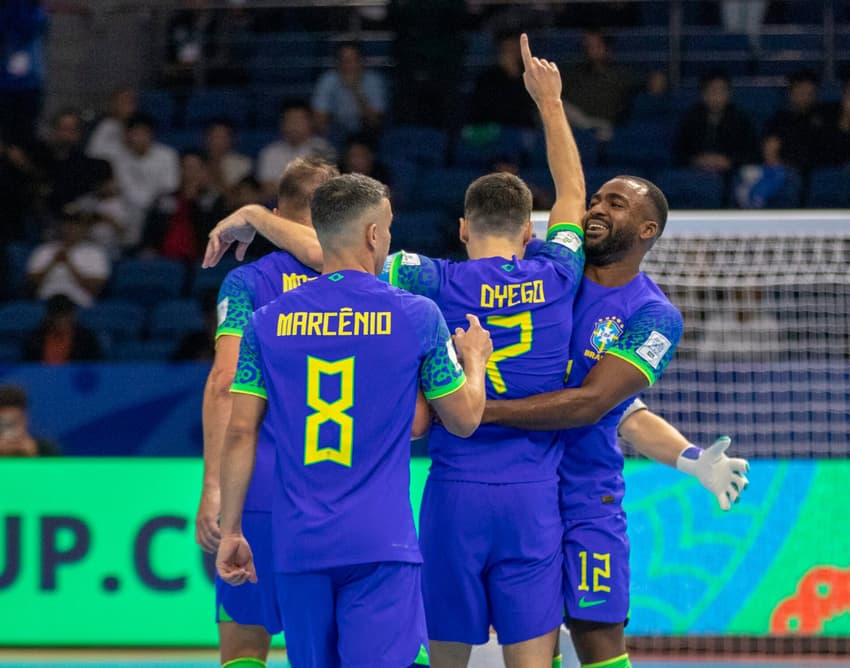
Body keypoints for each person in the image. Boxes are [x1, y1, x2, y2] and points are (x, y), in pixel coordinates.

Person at [215, 173, 493, 668]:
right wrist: (475, 359)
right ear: (372, 234)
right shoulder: (417, 314)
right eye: (387, 229)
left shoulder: (267, 322)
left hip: (298, 545)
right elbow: (466, 419)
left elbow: (240, 431)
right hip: (380, 543)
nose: (387, 239)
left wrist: (232, 528)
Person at [482, 172, 747, 668]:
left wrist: (690, 460)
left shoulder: (652, 314)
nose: (596, 209)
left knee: (597, 639)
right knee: (528, 640)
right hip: (515, 487)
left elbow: (601, 404)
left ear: (647, 230)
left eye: (616, 204)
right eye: (596, 199)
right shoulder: (547, 270)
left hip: (586, 499)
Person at [379, 34, 586, 668]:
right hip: (532, 497)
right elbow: (573, 193)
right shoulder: (557, 273)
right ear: (531, 232)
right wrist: (550, 103)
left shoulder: (428, 280)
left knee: (445, 661)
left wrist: (257, 215)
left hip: (454, 493)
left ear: (463, 228)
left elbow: (338, 250)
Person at [195, 158, 337, 668]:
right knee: (323, 646)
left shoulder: (247, 283)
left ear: (279, 214)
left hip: (258, 485)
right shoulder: (364, 279)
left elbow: (223, 384)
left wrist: (213, 486)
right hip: (335, 485)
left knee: (244, 650)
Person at [103, 113, 180, 249]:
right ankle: (123, 252)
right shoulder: (119, 158)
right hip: (129, 206)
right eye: (135, 134)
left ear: (151, 135)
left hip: (157, 206)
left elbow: (170, 186)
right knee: (109, 209)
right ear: (127, 136)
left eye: (143, 134)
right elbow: (125, 189)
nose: (139, 139)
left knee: (167, 205)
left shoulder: (167, 155)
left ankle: (152, 248)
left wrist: (148, 204)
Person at [673, 70, 759, 175]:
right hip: (695, 173)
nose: (716, 96)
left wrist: (729, 161)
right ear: (703, 94)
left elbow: (752, 154)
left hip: (730, 174)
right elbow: (679, 152)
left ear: (729, 94)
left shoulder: (741, 120)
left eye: (721, 91)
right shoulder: (691, 119)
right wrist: (697, 160)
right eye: (712, 91)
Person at [26, 212, 111, 307]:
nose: (71, 228)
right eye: (67, 224)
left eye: (76, 225)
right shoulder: (43, 250)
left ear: (84, 229)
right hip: (46, 303)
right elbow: (31, 285)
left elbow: (95, 289)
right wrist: (52, 263)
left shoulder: (95, 253)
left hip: (79, 304)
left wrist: (69, 263)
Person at [256, 101, 336, 199]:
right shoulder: (270, 152)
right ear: (282, 124)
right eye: (289, 121)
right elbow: (267, 188)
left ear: (310, 122)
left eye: (298, 120)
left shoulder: (324, 149)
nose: (293, 126)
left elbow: (324, 186)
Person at [311, 41, 387, 144]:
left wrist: (356, 91)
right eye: (344, 60)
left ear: (361, 61)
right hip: (336, 130)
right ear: (337, 63)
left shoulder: (374, 80)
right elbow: (319, 119)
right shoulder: (328, 79)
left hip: (366, 130)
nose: (348, 65)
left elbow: (375, 122)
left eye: (353, 60)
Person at [466, 31, 538, 129]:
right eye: (507, 50)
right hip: (494, 132)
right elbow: (483, 109)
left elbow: (529, 107)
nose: (511, 54)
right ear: (500, 52)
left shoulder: (529, 75)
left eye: (514, 50)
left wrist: (514, 74)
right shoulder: (486, 79)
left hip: (524, 131)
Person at [21, 294, 102, 364]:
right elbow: (29, 367)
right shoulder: (35, 338)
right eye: (58, 317)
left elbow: (96, 367)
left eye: (65, 316)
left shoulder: (86, 339)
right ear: (49, 317)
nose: (62, 321)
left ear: (73, 316)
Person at [0, 384, 61, 457]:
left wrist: (33, 455)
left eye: (15, 420)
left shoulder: (46, 449)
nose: (10, 427)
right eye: (4, 422)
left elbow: (59, 468)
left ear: (25, 418)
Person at [86, 86, 138, 161]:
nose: (128, 106)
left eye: (131, 102)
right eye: (123, 101)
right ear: (114, 104)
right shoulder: (105, 126)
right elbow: (93, 153)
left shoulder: (139, 127)